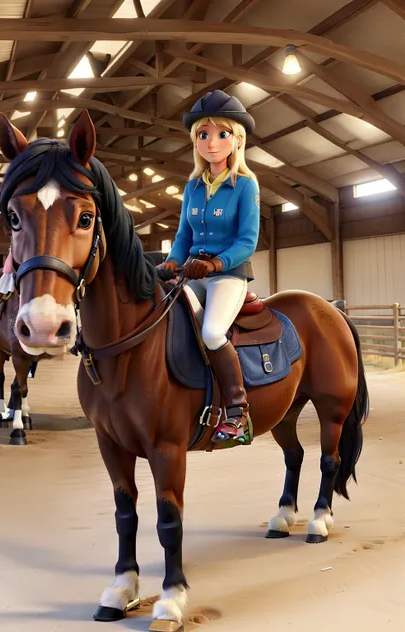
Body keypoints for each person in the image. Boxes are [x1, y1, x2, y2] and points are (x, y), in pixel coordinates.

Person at [158, 90, 260, 446]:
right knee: (165, 316)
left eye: (221, 134)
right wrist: (172, 261)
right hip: (192, 272)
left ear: (236, 140)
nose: (211, 142)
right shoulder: (192, 186)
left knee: (213, 333)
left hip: (227, 275)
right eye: (203, 134)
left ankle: (238, 410)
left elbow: (248, 240)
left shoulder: (245, 185)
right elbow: (183, 233)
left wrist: (216, 263)